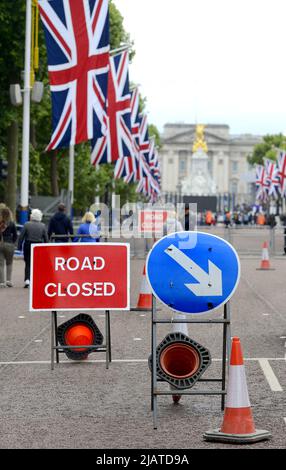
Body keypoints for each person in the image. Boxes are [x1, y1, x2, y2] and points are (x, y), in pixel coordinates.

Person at [18, 209, 48, 288]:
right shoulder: (43, 226)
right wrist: (47, 248)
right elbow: (46, 238)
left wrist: (19, 246)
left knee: (28, 263)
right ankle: (37, 280)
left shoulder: (26, 224)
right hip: (38, 246)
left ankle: (27, 280)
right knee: (37, 264)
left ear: (32, 216)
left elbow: (21, 237)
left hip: (28, 245)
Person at [0, 205, 17, 288]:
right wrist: (13, 242)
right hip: (9, 244)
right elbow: (15, 235)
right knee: (9, 263)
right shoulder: (11, 223)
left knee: (1, 264)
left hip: (0, 244)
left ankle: (1, 282)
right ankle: (8, 281)